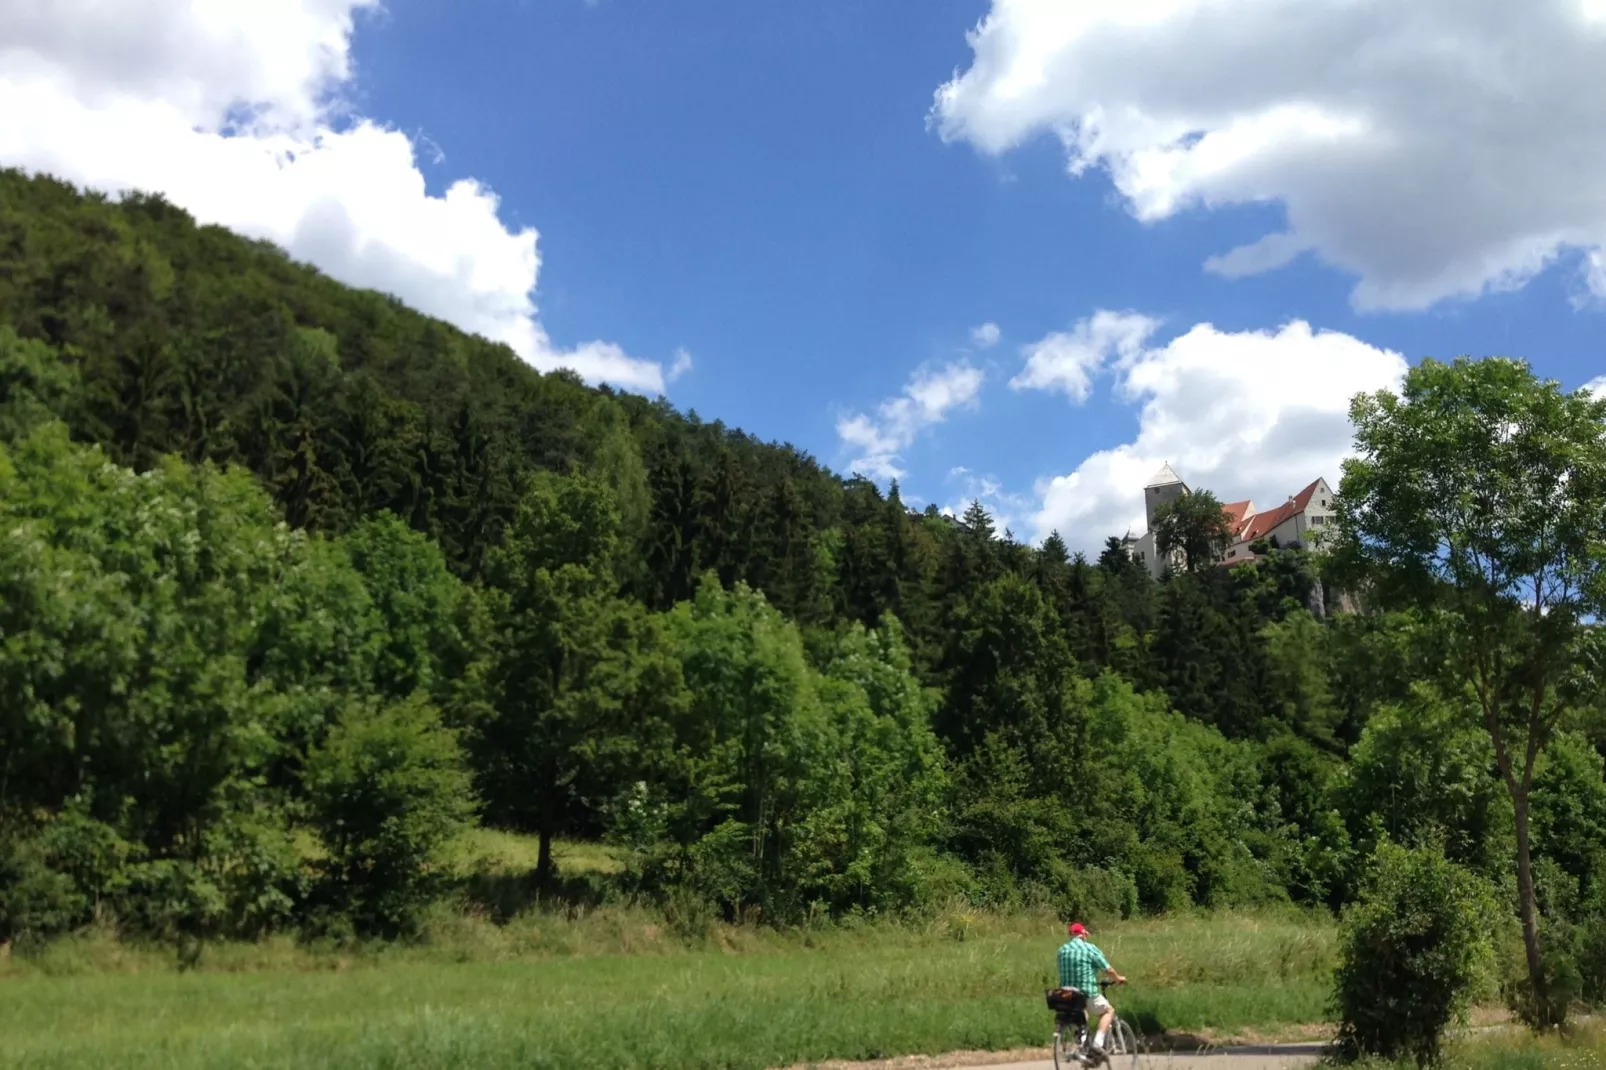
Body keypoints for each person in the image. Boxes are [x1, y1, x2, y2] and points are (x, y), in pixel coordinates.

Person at [1057, 921, 1125, 1063]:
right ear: (1083, 934)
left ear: (1071, 935)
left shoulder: (1061, 951)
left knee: (1082, 1014)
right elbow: (1107, 969)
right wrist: (1118, 978)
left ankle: (1082, 1045)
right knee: (1108, 1011)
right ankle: (1097, 1044)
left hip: (1066, 994)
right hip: (1085, 991)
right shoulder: (1089, 948)